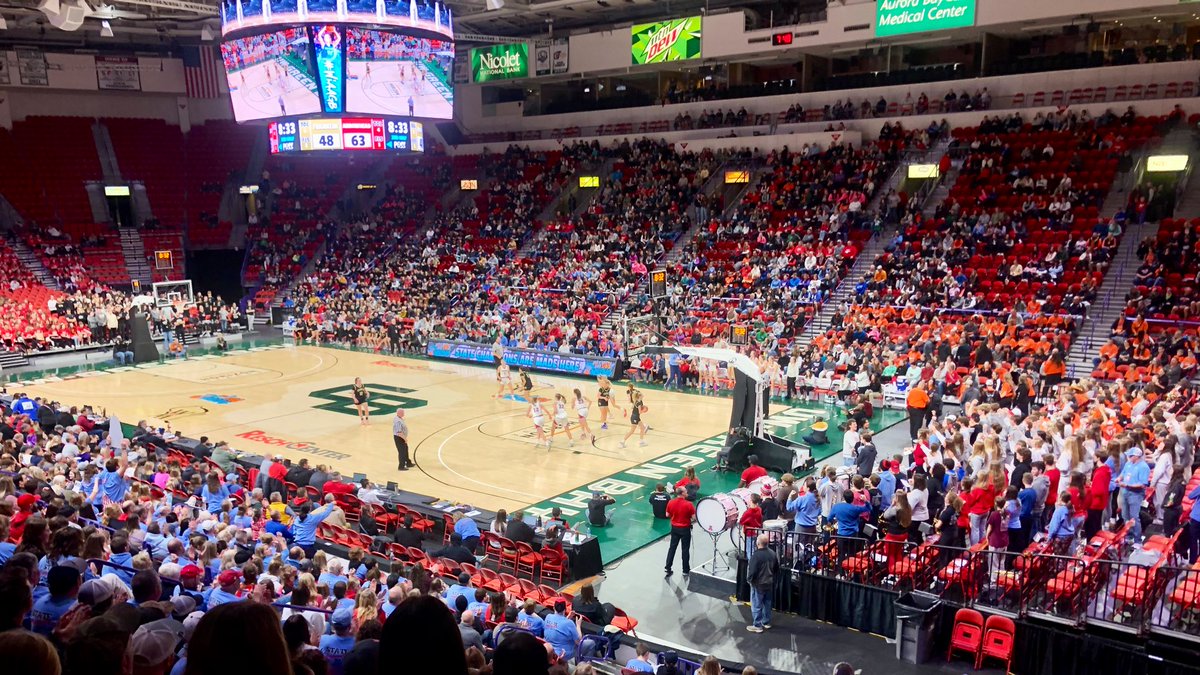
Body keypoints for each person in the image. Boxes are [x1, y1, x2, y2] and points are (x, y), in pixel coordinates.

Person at [1116, 447, 1150, 543]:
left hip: (1135, 495)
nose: (1129, 457)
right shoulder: (1128, 463)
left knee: (1134, 517)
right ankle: (1129, 535)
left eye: (1130, 456)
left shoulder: (1143, 467)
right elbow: (1123, 474)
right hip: (1125, 492)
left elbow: (1142, 484)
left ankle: (1137, 540)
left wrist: (1127, 485)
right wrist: (1119, 478)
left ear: (1136, 456)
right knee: (1125, 515)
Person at [746, 533, 779, 633]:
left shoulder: (756, 556)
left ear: (758, 543)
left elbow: (752, 571)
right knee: (767, 603)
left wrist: (749, 580)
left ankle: (757, 625)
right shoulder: (773, 553)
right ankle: (766, 622)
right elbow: (776, 569)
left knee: (756, 605)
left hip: (758, 584)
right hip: (769, 583)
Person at [665, 487, 695, 576]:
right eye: (686, 491)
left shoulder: (671, 502)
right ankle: (685, 570)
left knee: (672, 548)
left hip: (674, 528)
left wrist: (675, 517)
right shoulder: (688, 504)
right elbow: (694, 517)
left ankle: (668, 567)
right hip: (685, 529)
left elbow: (667, 514)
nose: (687, 492)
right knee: (685, 549)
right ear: (682, 493)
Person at [321, 606, 357, 675]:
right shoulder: (356, 643)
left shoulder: (323, 640)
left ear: (333, 626)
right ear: (349, 626)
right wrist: (355, 634)